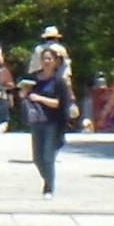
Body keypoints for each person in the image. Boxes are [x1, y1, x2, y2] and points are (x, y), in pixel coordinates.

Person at [20, 37, 75, 196]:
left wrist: (40, 98)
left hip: (52, 121)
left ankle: (49, 187)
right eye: (44, 58)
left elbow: (59, 103)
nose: (46, 61)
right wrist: (24, 93)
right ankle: (48, 179)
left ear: (55, 61)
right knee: (37, 157)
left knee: (48, 155)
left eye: (49, 59)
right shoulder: (34, 78)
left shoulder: (59, 81)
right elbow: (25, 95)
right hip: (37, 120)